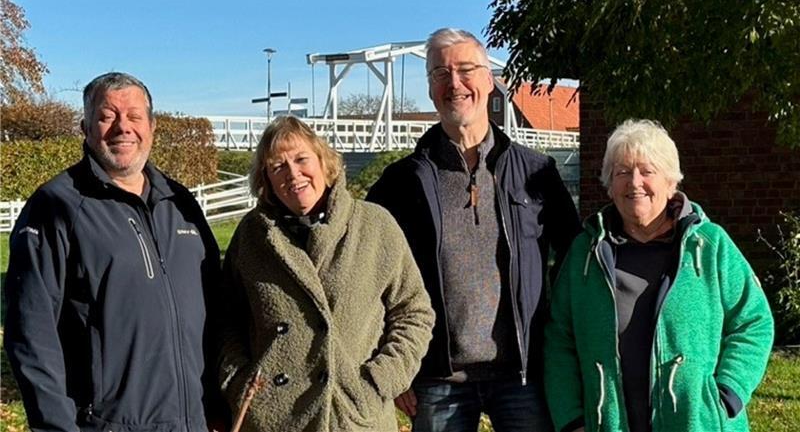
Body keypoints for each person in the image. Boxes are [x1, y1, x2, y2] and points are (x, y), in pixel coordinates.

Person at [366, 28, 581, 432]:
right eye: (441, 74)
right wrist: (389, 359)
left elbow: (576, 261)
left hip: (524, 374)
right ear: (430, 88)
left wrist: (564, 349)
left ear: (488, 80)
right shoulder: (402, 182)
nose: (455, 84)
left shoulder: (536, 172)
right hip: (436, 378)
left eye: (467, 70)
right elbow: (364, 275)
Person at [3, 72, 223, 432]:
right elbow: (31, 332)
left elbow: (216, 308)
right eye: (107, 116)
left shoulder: (180, 204)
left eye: (135, 116)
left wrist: (218, 402)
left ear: (151, 126)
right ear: (85, 127)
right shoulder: (57, 205)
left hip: (194, 421)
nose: (123, 127)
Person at [544, 119, 774, 432]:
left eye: (647, 171)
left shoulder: (709, 245)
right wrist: (572, 420)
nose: (634, 182)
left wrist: (727, 394)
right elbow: (559, 337)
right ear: (610, 185)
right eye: (622, 172)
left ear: (670, 183)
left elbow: (753, 321)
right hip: (608, 423)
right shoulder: (586, 252)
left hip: (697, 422)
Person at [216, 116, 435, 432]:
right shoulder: (252, 236)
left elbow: (414, 312)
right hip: (273, 419)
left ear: (324, 162)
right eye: (278, 166)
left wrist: (380, 380)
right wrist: (239, 383)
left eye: (302, 159)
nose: (293, 173)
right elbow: (227, 320)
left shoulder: (374, 226)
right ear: (266, 179)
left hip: (353, 417)